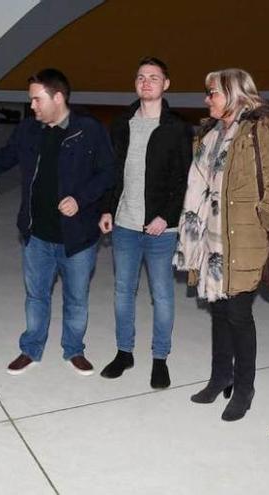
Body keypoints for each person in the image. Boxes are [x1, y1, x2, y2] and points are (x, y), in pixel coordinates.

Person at [0, 68, 114, 376]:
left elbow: (107, 173)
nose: (32, 106)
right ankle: (31, 349)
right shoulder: (28, 130)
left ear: (58, 97)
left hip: (78, 236)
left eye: (37, 99)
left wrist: (81, 198)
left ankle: (74, 350)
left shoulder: (89, 129)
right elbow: (3, 160)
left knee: (76, 299)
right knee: (36, 297)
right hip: (37, 234)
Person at [174, 68, 269, 421]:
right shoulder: (210, 134)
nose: (206, 99)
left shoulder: (260, 131)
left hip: (243, 240)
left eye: (213, 93)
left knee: (239, 315)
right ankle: (220, 376)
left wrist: (262, 224)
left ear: (235, 94)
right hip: (210, 241)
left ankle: (244, 388)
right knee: (219, 312)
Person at [98, 57, 192, 389]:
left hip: (160, 230)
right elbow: (113, 172)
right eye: (140, 77)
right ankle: (124, 353)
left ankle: (160, 359)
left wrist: (166, 216)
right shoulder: (122, 122)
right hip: (124, 225)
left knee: (162, 296)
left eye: (154, 77)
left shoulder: (177, 127)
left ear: (166, 84)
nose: (146, 82)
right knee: (123, 292)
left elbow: (183, 180)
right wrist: (107, 209)